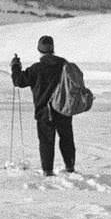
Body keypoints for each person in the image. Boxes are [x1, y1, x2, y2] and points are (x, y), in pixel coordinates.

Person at [10, 35, 77, 176]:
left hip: (45, 112)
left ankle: (48, 171)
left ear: (39, 50)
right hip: (64, 108)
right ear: (53, 49)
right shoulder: (64, 65)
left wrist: (15, 66)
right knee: (67, 139)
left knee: (46, 141)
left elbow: (19, 81)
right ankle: (70, 168)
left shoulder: (36, 69)